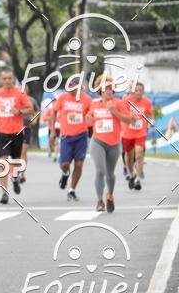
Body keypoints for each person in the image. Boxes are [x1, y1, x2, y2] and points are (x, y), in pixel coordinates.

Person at [87, 76, 132, 212]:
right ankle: (99, 201)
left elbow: (129, 120)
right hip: (97, 141)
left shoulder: (118, 103)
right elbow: (89, 117)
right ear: (99, 90)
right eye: (105, 88)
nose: (108, 91)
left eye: (111, 88)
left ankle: (110, 196)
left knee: (110, 174)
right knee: (100, 170)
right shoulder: (95, 104)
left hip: (113, 144)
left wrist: (114, 111)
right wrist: (88, 118)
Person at [0, 69, 33, 204]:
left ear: (13, 79)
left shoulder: (20, 92)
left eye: (9, 78)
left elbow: (30, 109)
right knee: (3, 161)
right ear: (1, 80)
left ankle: (15, 178)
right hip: (2, 132)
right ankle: (4, 193)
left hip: (17, 132)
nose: (7, 81)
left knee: (15, 161)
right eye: (5, 78)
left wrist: (19, 111)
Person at [52, 81, 92, 201]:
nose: (70, 88)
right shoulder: (63, 97)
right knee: (65, 164)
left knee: (79, 163)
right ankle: (65, 174)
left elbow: (91, 112)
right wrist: (53, 131)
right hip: (66, 136)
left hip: (81, 135)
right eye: (69, 86)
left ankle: (72, 190)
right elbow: (54, 111)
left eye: (73, 86)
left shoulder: (87, 99)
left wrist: (90, 116)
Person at [122, 82, 153, 191]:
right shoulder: (126, 100)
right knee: (129, 157)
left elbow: (150, 114)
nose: (138, 92)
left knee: (139, 154)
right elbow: (122, 114)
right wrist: (129, 117)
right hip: (128, 133)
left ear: (143, 91)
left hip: (141, 132)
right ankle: (131, 174)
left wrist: (151, 122)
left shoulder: (147, 102)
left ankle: (138, 179)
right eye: (136, 90)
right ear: (133, 91)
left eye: (141, 90)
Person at [19, 94, 39, 183]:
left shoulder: (31, 100)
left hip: (26, 126)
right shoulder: (14, 99)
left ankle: (22, 173)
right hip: (15, 127)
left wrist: (35, 119)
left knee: (23, 152)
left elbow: (37, 111)